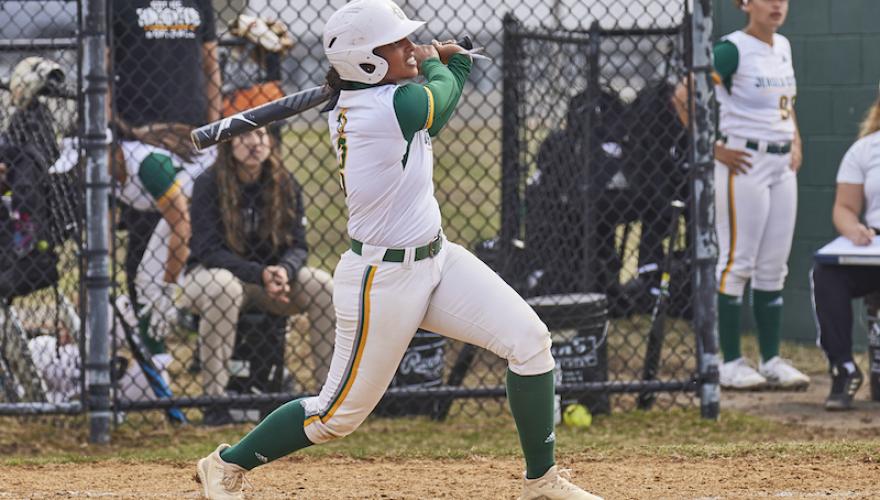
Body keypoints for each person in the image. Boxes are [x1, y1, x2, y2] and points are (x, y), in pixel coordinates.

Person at [195, 1, 601, 499]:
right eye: (397, 43)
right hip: (381, 279)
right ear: (365, 62)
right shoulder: (380, 108)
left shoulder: (383, 97)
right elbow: (439, 104)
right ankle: (226, 464)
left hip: (437, 258)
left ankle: (542, 481)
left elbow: (434, 105)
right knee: (335, 416)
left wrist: (442, 64)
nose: (410, 47)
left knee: (530, 341)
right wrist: (446, 63)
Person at [673, 0, 809, 390]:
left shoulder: (782, 46)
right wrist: (712, 148)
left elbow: (786, 105)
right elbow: (683, 95)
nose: (777, 5)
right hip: (743, 162)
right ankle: (727, 361)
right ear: (745, 4)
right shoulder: (732, 48)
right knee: (737, 261)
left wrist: (796, 140)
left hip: (781, 164)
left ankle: (771, 359)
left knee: (773, 266)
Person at [182, 125, 335, 426]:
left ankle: (329, 399)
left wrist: (284, 271)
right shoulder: (208, 183)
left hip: (269, 282)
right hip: (214, 278)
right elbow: (208, 250)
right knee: (224, 289)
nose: (254, 142)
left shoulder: (283, 182)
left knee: (323, 287)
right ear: (228, 144)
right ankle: (215, 403)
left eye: (261, 135)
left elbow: (299, 245)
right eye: (244, 136)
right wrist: (259, 273)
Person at [108, 0, 221, 328]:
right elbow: (102, 69)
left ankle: (182, 312)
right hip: (140, 135)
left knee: (198, 230)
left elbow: (210, 65)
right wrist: (116, 128)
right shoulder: (116, 4)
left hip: (192, 135)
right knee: (145, 232)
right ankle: (146, 318)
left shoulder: (199, 3)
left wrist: (214, 128)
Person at [810, 87, 880, 410]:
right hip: (874, 247)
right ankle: (844, 368)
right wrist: (854, 230)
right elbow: (844, 208)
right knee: (827, 273)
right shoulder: (865, 150)